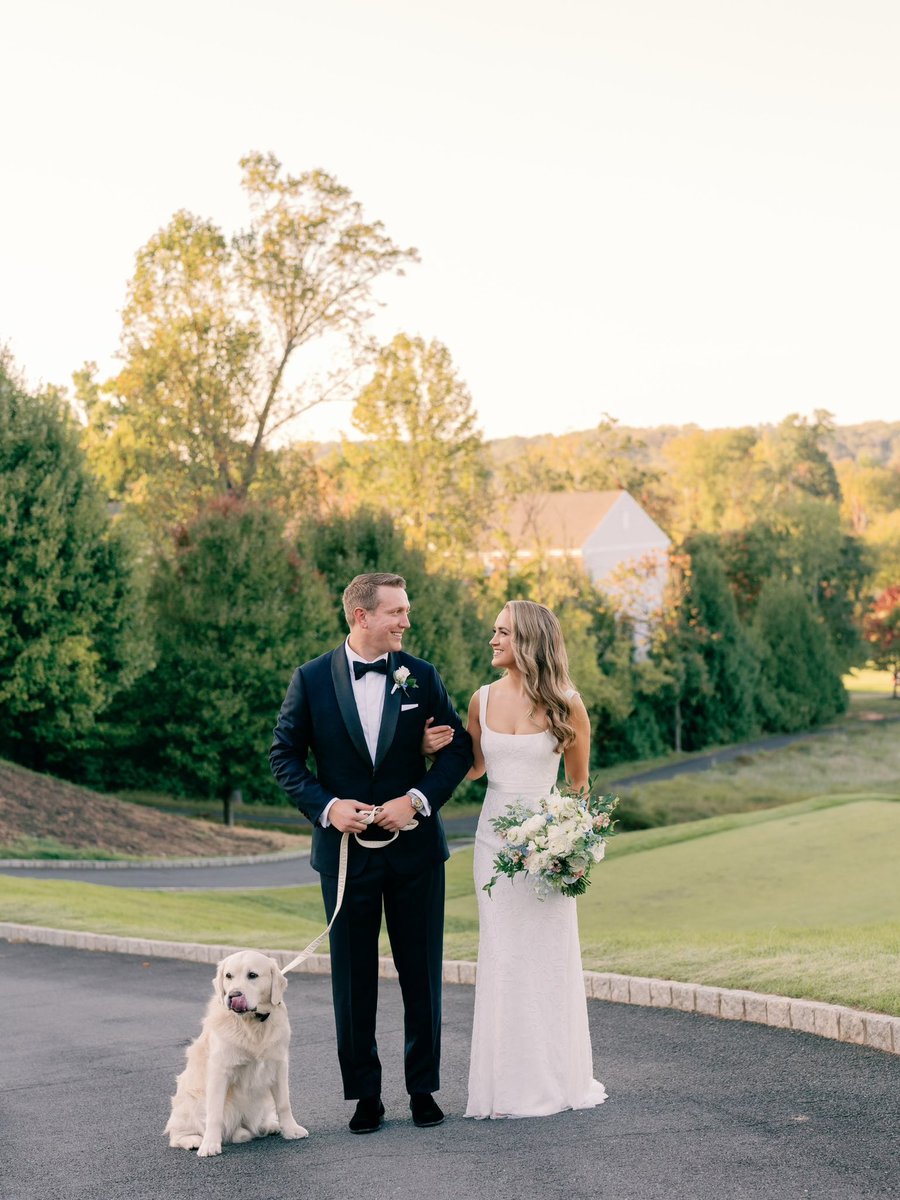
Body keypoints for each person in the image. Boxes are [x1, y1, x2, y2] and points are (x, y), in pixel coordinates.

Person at [269, 572, 473, 1134]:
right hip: (344, 858)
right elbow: (283, 756)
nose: (407, 621)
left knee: (422, 974)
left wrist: (418, 799)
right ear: (362, 616)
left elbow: (458, 751)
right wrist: (327, 806)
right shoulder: (310, 680)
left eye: (406, 611)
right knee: (353, 979)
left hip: (416, 856)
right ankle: (365, 1096)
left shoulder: (421, 676)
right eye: (397, 612)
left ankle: (424, 1089)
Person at [426, 599, 607, 1119]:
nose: (492, 639)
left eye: (502, 631)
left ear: (528, 639)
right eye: (494, 630)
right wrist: (427, 753)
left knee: (548, 958)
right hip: (494, 843)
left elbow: (579, 787)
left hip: (549, 847)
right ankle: (505, 1086)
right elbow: (477, 768)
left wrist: (573, 845)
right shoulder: (480, 700)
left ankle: (557, 1076)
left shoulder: (567, 703)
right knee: (504, 957)